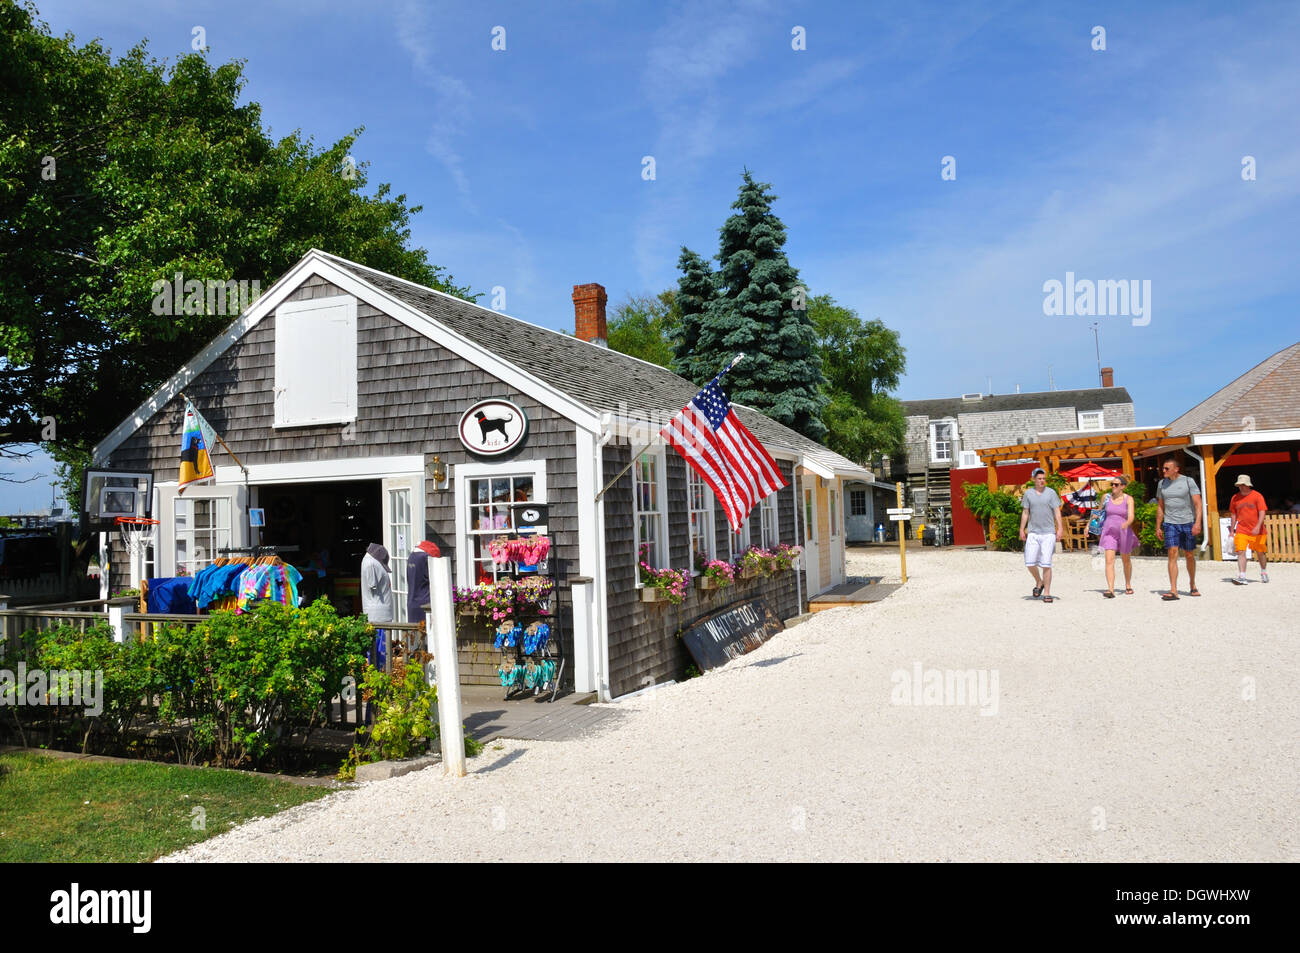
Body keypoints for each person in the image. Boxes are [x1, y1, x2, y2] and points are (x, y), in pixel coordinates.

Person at [1156, 456, 1202, 600]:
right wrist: (1158, 526)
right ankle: (1174, 590)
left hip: (1188, 522)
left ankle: (1192, 584)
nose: (1163, 470)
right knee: (1172, 552)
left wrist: (1197, 523)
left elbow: (1198, 504)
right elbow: (1160, 506)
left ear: (1176, 469)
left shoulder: (1188, 481)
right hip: (1170, 523)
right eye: (1163, 468)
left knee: (1189, 555)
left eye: (1166, 468)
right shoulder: (1162, 484)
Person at [1019, 467, 1064, 603]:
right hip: (1033, 532)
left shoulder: (1051, 493)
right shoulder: (1028, 494)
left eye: (1044, 478)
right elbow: (1025, 512)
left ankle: (1047, 593)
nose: (1042, 481)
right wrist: (1022, 529)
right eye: (1039, 479)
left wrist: (1060, 528)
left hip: (1048, 533)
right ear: (1033, 479)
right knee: (1029, 562)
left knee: (1046, 564)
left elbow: (1057, 511)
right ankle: (1039, 582)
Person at [1098, 476, 1139, 597]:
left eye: (1116, 484)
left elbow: (1131, 515)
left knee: (1126, 560)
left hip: (1124, 532)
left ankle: (1128, 584)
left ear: (1123, 486)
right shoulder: (1106, 497)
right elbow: (1099, 513)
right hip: (1109, 532)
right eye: (1112, 484)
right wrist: (1088, 525)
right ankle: (1110, 589)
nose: (1113, 487)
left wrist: (1126, 523)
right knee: (1109, 561)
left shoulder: (1128, 499)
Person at [1228, 474, 1269, 584]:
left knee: (1260, 552)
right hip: (1242, 529)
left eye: (1243, 485)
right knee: (1241, 551)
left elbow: (1262, 512)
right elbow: (1233, 514)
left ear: (1248, 485)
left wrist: (1258, 526)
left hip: (1258, 531)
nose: (1241, 487)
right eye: (1239, 485)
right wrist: (1232, 530)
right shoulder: (1235, 498)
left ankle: (1264, 572)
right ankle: (1242, 576)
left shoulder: (1257, 496)